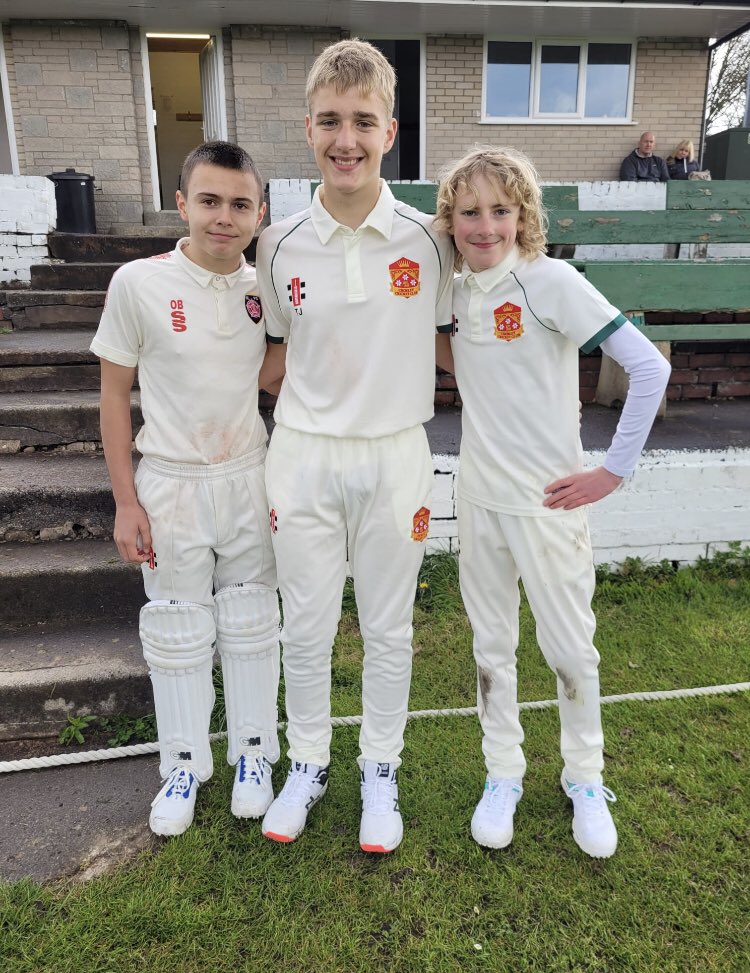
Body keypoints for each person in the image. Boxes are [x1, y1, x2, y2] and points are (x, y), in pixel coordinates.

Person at [433, 146, 671, 858]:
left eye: (500, 210)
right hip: (478, 498)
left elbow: (649, 367)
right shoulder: (452, 289)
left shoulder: (551, 280)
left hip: (550, 505)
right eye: (469, 211)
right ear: (451, 220)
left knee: (570, 648)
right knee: (491, 647)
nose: (485, 226)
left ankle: (584, 777)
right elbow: (467, 353)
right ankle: (502, 770)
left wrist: (612, 472)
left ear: (523, 214)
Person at [255, 39, 454, 853]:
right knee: (302, 626)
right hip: (301, 455)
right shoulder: (276, 245)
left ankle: (380, 767)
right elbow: (268, 355)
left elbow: (461, 340)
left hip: (396, 455)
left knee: (388, 626)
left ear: (391, 130)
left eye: (363, 121)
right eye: (331, 121)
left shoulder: (430, 238)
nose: (347, 138)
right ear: (308, 130)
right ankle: (308, 762)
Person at [91, 142, 282, 837]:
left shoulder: (265, 287)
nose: (223, 217)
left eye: (239, 204)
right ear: (182, 204)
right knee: (175, 625)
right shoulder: (138, 283)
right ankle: (183, 762)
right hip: (168, 481)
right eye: (209, 200)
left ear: (259, 213)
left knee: (253, 617)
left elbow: (265, 373)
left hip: (247, 473)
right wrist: (125, 499)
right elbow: (114, 395)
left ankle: (255, 753)